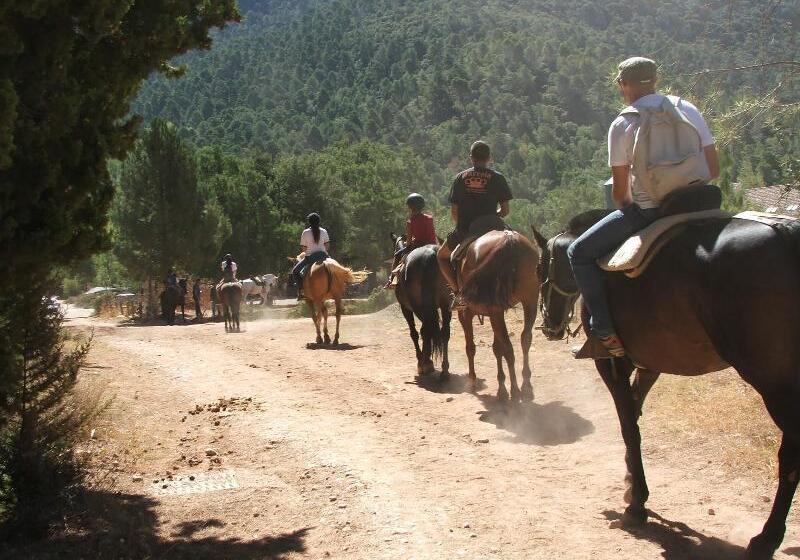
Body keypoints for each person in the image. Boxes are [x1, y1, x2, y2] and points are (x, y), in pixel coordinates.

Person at [568, 57, 720, 357]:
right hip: (702, 200)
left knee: (579, 253)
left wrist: (638, 207)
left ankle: (605, 332)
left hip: (652, 210)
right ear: (656, 78)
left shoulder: (623, 123)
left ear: (623, 85)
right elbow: (713, 168)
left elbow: (621, 194)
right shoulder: (686, 108)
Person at [437, 140, 513, 309]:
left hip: (467, 228)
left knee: (441, 256)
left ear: (471, 158)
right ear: (489, 158)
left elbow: (454, 212)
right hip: (494, 226)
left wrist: (463, 227)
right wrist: (494, 216)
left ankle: (458, 293)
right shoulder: (498, 177)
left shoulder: (460, 178)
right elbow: (505, 210)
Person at [385, 193, 438, 288]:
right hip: (433, 244)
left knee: (397, 255)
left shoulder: (410, 221)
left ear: (410, 207)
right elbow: (432, 234)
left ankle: (392, 279)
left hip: (417, 246)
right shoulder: (430, 218)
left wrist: (407, 244)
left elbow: (409, 241)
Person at [293, 213, 330, 300]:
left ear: (309, 222)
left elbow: (303, 248)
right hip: (324, 256)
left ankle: (301, 291)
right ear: (319, 221)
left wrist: (309, 251)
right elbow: (327, 246)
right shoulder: (324, 231)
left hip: (310, 258)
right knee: (336, 268)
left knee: (295, 271)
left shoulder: (305, 232)